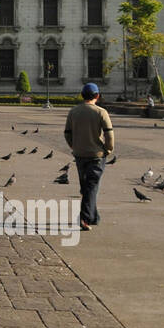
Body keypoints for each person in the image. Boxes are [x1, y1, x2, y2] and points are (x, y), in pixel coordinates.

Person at [64, 82, 114, 231]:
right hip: (96, 155)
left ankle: (94, 217)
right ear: (97, 96)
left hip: (79, 154)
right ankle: (85, 218)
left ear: (82, 95)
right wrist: (108, 150)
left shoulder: (73, 111)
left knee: (87, 186)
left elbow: (67, 133)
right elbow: (109, 133)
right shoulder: (101, 112)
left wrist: (74, 146)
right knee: (91, 187)